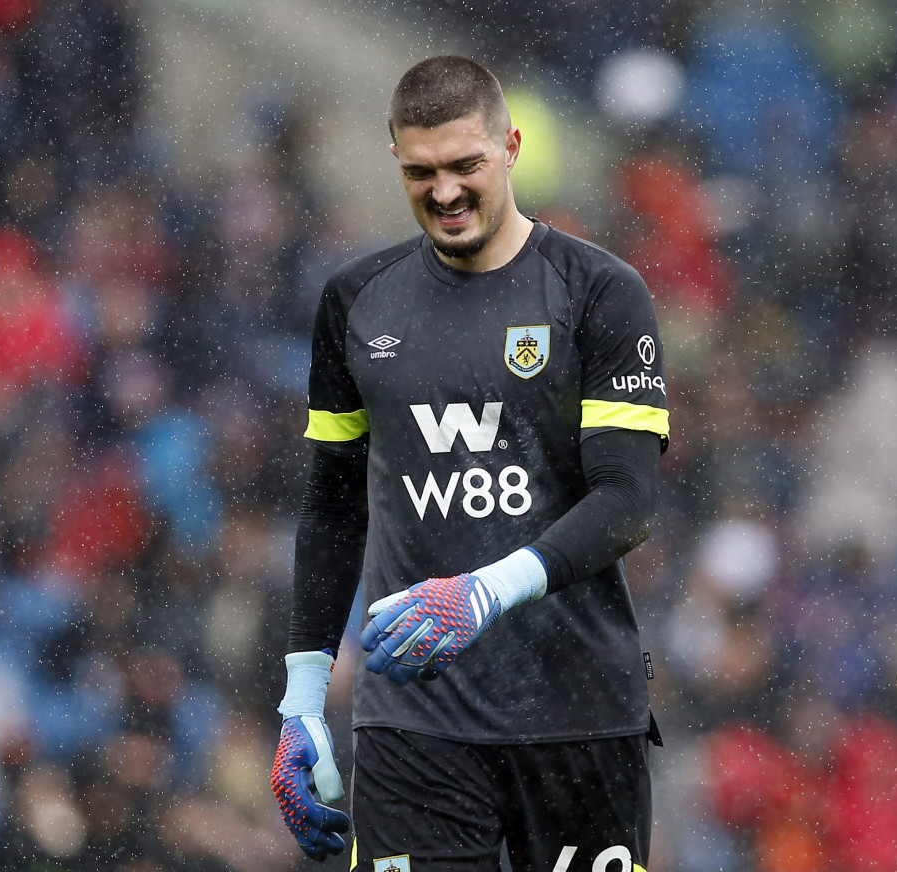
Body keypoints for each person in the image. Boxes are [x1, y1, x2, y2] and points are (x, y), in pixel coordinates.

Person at [270, 56, 670, 872]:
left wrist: (486, 591)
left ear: (512, 147)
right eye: (421, 172)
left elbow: (627, 497)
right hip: (414, 723)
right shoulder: (356, 302)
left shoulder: (600, 293)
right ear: (395, 160)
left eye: (466, 165)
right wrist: (302, 702)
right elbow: (333, 506)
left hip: (578, 714)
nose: (444, 192)